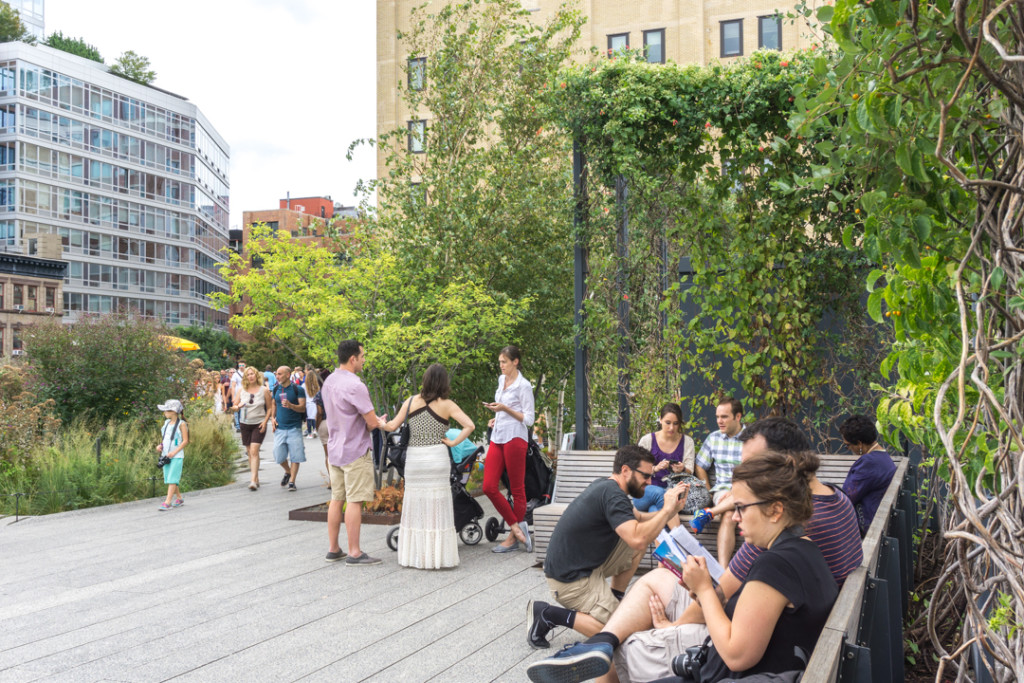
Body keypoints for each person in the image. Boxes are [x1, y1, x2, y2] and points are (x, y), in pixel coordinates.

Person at [529, 418, 862, 683]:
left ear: (783, 474)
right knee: (657, 576)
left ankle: (598, 639)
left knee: (620, 653)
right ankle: (602, 639)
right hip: (776, 636)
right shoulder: (821, 511)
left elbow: (727, 619)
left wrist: (674, 622)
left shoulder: (779, 553)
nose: (735, 513)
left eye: (754, 467)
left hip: (741, 642)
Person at [526, 445, 689, 649]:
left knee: (640, 534)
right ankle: (548, 614)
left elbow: (638, 519)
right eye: (645, 476)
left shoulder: (610, 487)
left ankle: (614, 599)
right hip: (569, 581)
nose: (649, 481)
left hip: (585, 565)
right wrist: (666, 511)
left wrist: (672, 509)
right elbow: (637, 538)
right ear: (625, 470)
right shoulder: (613, 495)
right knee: (621, 631)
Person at [381, 364, 474, 569]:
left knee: (416, 506)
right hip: (436, 459)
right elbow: (470, 425)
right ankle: (437, 556)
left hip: (415, 460)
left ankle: (416, 557)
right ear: (443, 382)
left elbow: (391, 427)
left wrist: (379, 422)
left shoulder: (411, 401)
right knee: (436, 507)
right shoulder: (447, 405)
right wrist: (452, 442)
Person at [321, 340, 388, 565]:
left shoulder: (329, 381)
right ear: (353, 358)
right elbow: (370, 423)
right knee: (355, 501)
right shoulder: (356, 385)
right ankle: (354, 552)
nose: (364, 360)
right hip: (355, 449)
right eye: (362, 356)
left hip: (335, 449)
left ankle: (333, 548)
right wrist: (379, 422)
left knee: (336, 499)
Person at [482, 344, 536, 553]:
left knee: (516, 489)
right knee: (488, 486)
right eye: (500, 362)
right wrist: (496, 417)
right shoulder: (501, 380)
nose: (501, 365)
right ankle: (516, 526)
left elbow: (529, 419)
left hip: (515, 438)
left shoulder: (524, 386)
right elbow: (502, 409)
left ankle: (513, 538)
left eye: (504, 362)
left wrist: (505, 409)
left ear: (515, 362)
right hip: (499, 436)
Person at [691, 397, 745, 566]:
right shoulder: (714, 438)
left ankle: (709, 513)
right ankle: (722, 570)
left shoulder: (752, 439)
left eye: (724, 417)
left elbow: (758, 471)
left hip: (746, 489)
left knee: (731, 512)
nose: (719, 421)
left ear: (738, 417)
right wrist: (708, 491)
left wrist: (736, 489)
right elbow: (700, 466)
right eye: (717, 417)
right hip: (722, 492)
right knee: (728, 514)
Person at [633, 403, 699, 513]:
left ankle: (670, 530)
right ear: (660, 420)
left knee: (654, 510)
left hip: (673, 493)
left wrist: (682, 469)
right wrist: (654, 469)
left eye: (676, 423)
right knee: (663, 495)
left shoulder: (687, 442)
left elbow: (689, 470)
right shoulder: (647, 440)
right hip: (645, 492)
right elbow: (636, 470)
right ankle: (677, 529)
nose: (671, 427)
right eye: (668, 423)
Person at [840, 414, 896, 534]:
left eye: (847, 445)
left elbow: (846, 498)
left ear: (859, 444)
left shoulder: (869, 463)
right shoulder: (883, 458)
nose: (848, 448)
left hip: (865, 527)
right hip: (878, 522)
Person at [232, 366, 274, 491]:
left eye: (252, 374)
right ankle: (256, 477)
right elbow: (234, 405)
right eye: (248, 375)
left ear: (256, 375)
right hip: (245, 423)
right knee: (250, 452)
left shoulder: (264, 390)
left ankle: (252, 481)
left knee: (254, 451)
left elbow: (270, 408)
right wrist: (236, 407)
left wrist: (265, 421)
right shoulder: (241, 390)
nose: (250, 376)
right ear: (245, 377)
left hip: (259, 423)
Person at [272, 365, 306, 491]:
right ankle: (288, 471)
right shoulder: (276, 389)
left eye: (280, 374)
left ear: (288, 375)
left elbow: (302, 408)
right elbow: (273, 404)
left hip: (294, 427)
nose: (277, 376)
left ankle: (292, 482)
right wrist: (272, 418)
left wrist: (291, 405)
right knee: (278, 455)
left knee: (296, 456)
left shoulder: (297, 389)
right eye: (277, 374)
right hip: (280, 427)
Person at [156, 399, 189, 511]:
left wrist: (174, 452)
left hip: (177, 456)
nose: (164, 412)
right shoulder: (166, 423)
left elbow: (185, 441)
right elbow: (165, 439)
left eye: (166, 410)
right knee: (170, 478)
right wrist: (160, 446)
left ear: (174, 411)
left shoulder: (181, 424)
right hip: (166, 455)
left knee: (172, 479)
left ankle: (167, 502)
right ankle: (179, 498)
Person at [304, 371, 322, 438]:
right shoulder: (317, 386)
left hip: (307, 403)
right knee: (314, 417)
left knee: (308, 418)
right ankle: (314, 429)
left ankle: (309, 433)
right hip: (315, 403)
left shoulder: (304, 386)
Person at [230, 361, 246, 432]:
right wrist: (233, 397)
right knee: (237, 410)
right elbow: (233, 386)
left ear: (245, 365)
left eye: (242, 365)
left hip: (246, 393)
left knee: (244, 409)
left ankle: (243, 424)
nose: (241, 366)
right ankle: (238, 426)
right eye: (240, 365)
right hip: (238, 394)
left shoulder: (247, 373)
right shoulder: (235, 374)